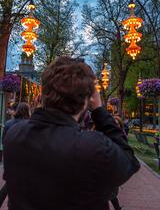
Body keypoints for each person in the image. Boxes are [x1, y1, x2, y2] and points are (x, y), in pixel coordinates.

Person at [3, 56, 140, 210]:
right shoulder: (92, 147)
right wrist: (100, 111)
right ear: (87, 100)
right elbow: (129, 161)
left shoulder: (14, 134)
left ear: (44, 92)